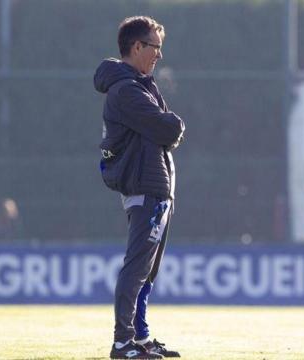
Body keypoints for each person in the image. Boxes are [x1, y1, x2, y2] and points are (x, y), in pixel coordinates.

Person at [94, 16, 185, 360]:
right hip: (146, 188)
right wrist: (174, 123)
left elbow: (160, 130)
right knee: (136, 267)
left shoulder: (139, 85)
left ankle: (141, 337)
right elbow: (167, 128)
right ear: (137, 47)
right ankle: (123, 343)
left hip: (156, 188)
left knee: (147, 269)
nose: (159, 55)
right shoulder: (128, 90)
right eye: (155, 47)